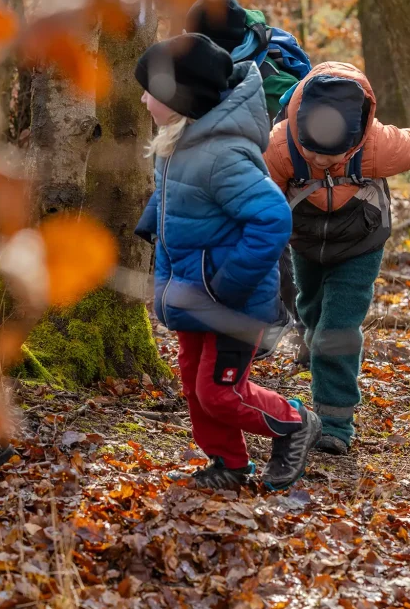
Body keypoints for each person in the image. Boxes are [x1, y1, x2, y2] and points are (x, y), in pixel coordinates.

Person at [134, 33, 322, 490]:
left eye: (151, 90)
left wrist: (226, 285)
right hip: (193, 298)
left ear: (181, 99)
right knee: (195, 389)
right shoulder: (175, 145)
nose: (142, 98)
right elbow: (169, 211)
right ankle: (229, 464)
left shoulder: (222, 154)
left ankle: (294, 423)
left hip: (232, 303)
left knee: (219, 391)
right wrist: (164, 283)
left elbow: (272, 219)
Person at [263, 61, 410, 455]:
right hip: (304, 241)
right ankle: (317, 350)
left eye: (330, 159)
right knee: (314, 316)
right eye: (312, 155)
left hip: (361, 243)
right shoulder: (278, 147)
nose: (319, 163)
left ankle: (335, 423)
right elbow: (255, 202)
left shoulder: (379, 145)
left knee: (337, 328)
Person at [185, 0, 313, 365]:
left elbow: (291, 123)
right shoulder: (222, 58)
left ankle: (295, 332)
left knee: (284, 250)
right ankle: (267, 327)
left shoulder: (267, 71)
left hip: (281, 168)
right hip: (237, 168)